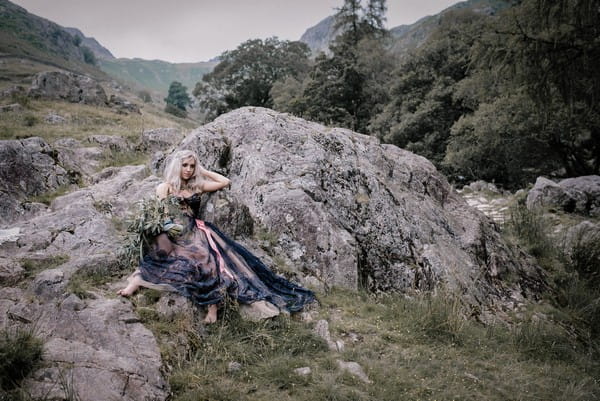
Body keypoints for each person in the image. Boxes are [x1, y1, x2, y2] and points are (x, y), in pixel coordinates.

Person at [118, 149, 315, 323]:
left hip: (194, 230)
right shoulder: (165, 188)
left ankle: (213, 306)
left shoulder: (196, 186)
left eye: (191, 166)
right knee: (163, 253)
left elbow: (224, 181)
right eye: (184, 165)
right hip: (173, 230)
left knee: (206, 258)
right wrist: (166, 228)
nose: (187, 169)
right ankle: (136, 282)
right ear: (177, 166)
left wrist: (201, 170)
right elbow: (157, 213)